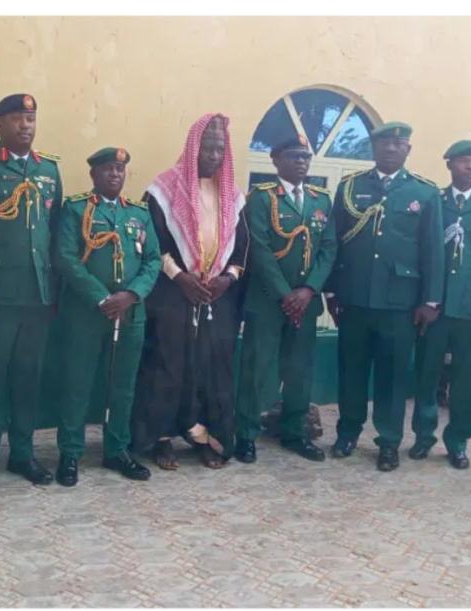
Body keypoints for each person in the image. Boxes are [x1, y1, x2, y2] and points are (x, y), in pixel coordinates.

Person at [131, 113, 249, 470]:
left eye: (219, 148)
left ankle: (207, 438)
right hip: (173, 294)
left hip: (217, 296)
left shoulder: (233, 196)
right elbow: (155, 243)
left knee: (214, 368)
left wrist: (225, 279)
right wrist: (182, 278)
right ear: (193, 147)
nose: (213, 154)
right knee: (167, 365)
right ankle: (160, 439)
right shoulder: (163, 191)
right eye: (207, 147)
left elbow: (243, 248)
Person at [0, 93, 63, 494]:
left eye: (31, 118)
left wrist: (54, 294)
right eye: (18, 118)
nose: (26, 125)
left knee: (27, 378)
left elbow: (53, 236)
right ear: (0, 123)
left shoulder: (49, 170)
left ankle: (22, 453)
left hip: (37, 297)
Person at [325, 122, 444, 472]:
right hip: (355, 298)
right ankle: (347, 433)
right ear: (373, 149)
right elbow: (335, 241)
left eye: (398, 144)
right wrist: (332, 290)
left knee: (393, 378)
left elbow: (433, 251)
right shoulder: (351, 187)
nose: (391, 149)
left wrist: (431, 300)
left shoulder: (424, 193)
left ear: (408, 149)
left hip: (400, 303)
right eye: (384, 144)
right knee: (352, 372)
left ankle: (389, 441)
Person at [53, 147, 160, 486]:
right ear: (94, 175)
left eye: (120, 169)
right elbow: (66, 258)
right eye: (107, 169)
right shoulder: (76, 209)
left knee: (123, 386)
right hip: (86, 313)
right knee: (77, 385)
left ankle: (117, 450)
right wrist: (102, 298)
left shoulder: (139, 214)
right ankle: (70, 454)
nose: (115, 174)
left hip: (130, 314)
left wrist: (131, 295)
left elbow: (153, 260)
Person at [234, 134, 336, 464]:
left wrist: (307, 291)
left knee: (299, 371)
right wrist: (285, 294)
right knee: (256, 370)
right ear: (276, 161)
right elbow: (259, 249)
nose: (302, 162)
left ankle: (295, 432)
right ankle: (245, 435)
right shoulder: (261, 198)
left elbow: (328, 249)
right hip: (267, 301)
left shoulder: (321, 199)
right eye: (294, 156)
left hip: (305, 305)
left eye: (306, 157)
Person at [410, 140, 471, 469]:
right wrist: (425, 300)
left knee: (466, 381)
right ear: (450, 165)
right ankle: (424, 436)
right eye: (465, 162)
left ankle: (458, 442)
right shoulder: (433, 203)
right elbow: (422, 255)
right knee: (426, 374)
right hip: (434, 310)